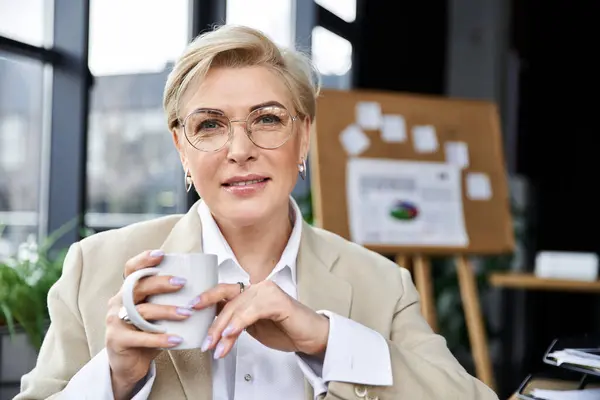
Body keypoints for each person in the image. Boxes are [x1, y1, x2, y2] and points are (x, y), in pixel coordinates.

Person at [17, 25, 498, 400]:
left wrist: (327, 340)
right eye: (210, 125)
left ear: (304, 136)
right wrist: (115, 378)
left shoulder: (380, 284)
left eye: (267, 119)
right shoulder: (94, 268)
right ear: (181, 147)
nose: (240, 150)